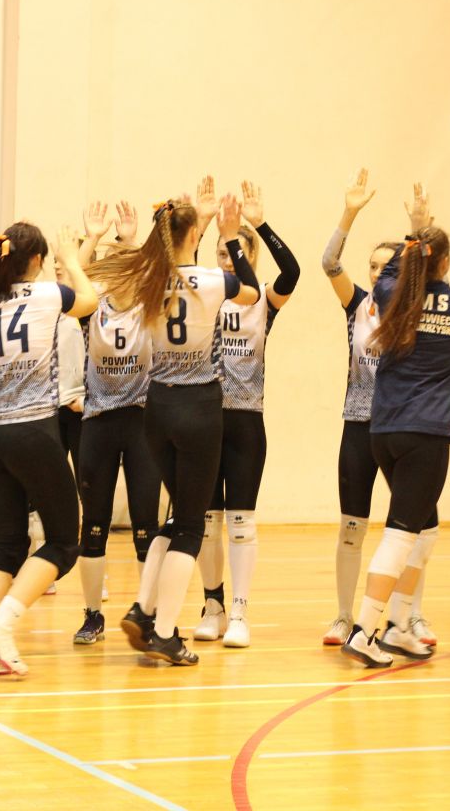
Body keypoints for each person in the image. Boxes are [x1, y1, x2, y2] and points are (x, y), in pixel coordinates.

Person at [91, 182, 261, 666]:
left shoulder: (146, 277)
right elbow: (251, 292)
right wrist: (231, 236)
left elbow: (152, 259)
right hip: (198, 407)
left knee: (174, 517)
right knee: (190, 526)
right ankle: (165, 633)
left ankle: (143, 610)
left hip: (156, 407)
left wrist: (193, 223)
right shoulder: (212, 280)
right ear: (194, 237)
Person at [343, 186, 450, 668]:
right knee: (401, 533)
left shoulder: (390, 294)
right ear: (445, 265)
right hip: (426, 434)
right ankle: (365, 631)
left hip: (384, 431)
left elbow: (390, 273)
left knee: (426, 528)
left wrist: (413, 233)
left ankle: (399, 625)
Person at [0, 222, 98, 677]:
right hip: (33, 431)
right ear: (38, 260)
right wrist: (74, 259)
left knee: (7, 543)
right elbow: (89, 301)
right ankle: (1, 626)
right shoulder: (47, 295)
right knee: (63, 542)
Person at [194, 180, 300, 649]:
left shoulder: (262, 301)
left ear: (249, 256)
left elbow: (293, 270)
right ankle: (212, 604)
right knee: (206, 521)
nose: (226, 258)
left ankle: (239, 610)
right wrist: (203, 224)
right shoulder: (204, 292)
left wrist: (256, 225)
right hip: (204, 417)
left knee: (240, 521)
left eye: (233, 251)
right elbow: (179, 264)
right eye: (220, 251)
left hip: (245, 420)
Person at [319, 170, 406, 645]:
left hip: (400, 428)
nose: (376, 273)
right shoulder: (358, 306)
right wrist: (349, 213)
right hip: (358, 425)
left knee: (408, 528)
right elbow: (329, 262)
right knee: (352, 527)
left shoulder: (416, 313)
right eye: (372, 266)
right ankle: (342, 615)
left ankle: (407, 617)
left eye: (386, 267)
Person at [71, 201, 161, 645]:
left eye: (131, 267)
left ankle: (148, 614)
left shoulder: (151, 306)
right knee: (94, 523)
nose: (123, 275)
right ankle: (92, 615)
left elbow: (163, 269)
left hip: (143, 423)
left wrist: (131, 240)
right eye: (115, 268)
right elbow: (71, 279)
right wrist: (91, 238)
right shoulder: (94, 309)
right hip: (99, 422)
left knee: (146, 523)